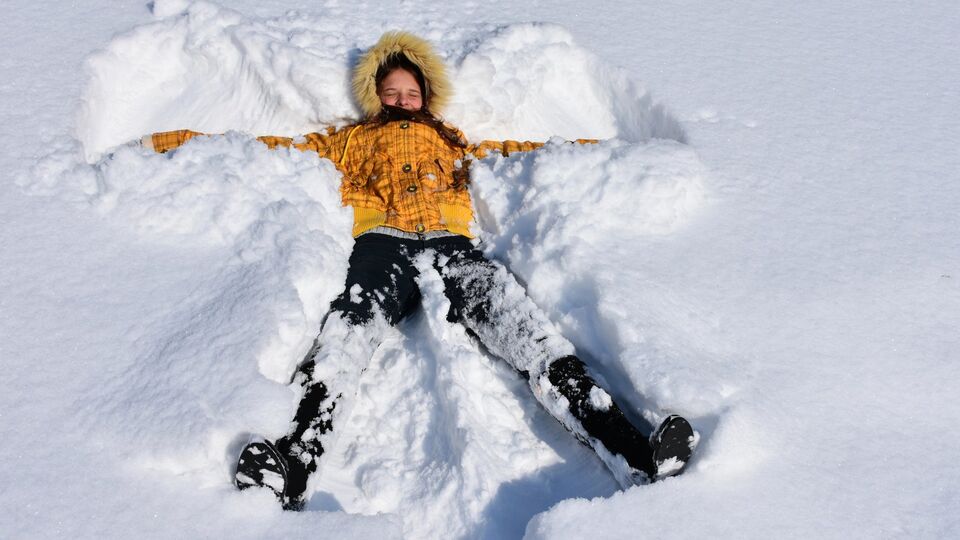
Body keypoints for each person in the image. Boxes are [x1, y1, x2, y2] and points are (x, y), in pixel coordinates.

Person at [142, 31, 695, 511]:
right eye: (391, 93)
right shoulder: (352, 140)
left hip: (453, 245)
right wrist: (169, 142)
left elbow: (527, 149)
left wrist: (625, 150)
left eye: (411, 92)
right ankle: (292, 464)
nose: (403, 100)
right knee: (345, 339)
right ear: (375, 98)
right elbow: (270, 148)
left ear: (426, 97)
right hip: (381, 246)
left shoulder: (450, 141)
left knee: (529, 334)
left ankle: (636, 454)